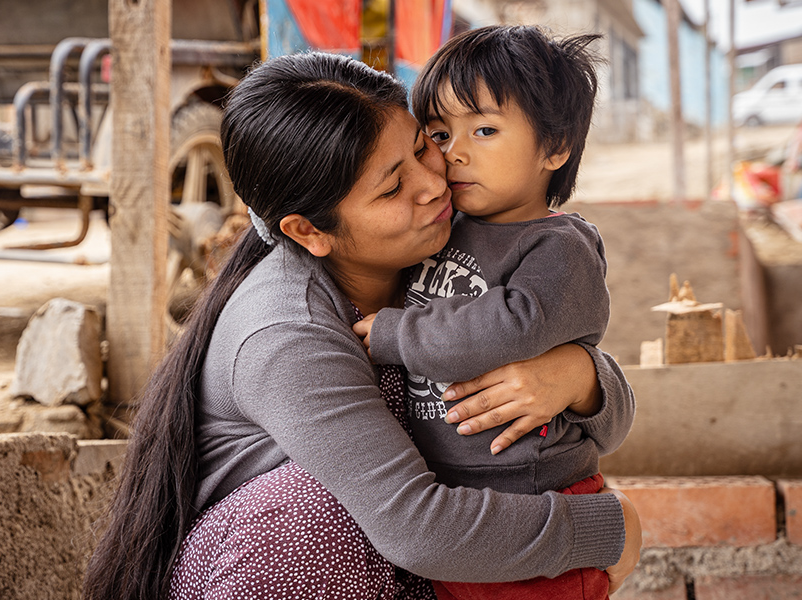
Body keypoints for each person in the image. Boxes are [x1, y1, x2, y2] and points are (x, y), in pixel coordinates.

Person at [82, 51, 641, 600]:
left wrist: (580, 377)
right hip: (308, 568)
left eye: (426, 145)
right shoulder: (287, 334)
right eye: (393, 188)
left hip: (435, 565)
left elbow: (596, 424)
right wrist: (604, 529)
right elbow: (415, 526)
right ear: (308, 231)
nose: (435, 183)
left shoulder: (439, 256)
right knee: (309, 523)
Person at [351, 25, 616, 600]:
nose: (456, 153)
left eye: (486, 130)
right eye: (440, 133)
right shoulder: (445, 229)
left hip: (533, 502)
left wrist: (398, 335)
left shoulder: (558, 248)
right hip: (455, 500)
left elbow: (510, 327)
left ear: (555, 146)